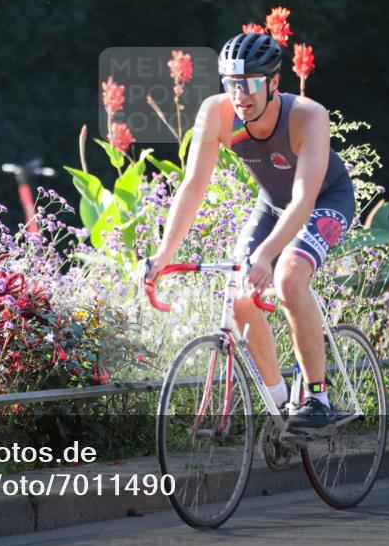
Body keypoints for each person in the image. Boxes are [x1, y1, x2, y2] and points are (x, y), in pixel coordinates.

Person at [142, 32, 356, 436]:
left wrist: (268, 255)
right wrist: (163, 255)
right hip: (272, 203)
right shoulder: (217, 113)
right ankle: (281, 408)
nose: (240, 95)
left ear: (274, 83)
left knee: (289, 277)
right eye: (231, 84)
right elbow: (192, 187)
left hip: (325, 200)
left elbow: (304, 200)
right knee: (238, 293)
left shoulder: (308, 116)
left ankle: (318, 399)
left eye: (251, 84)